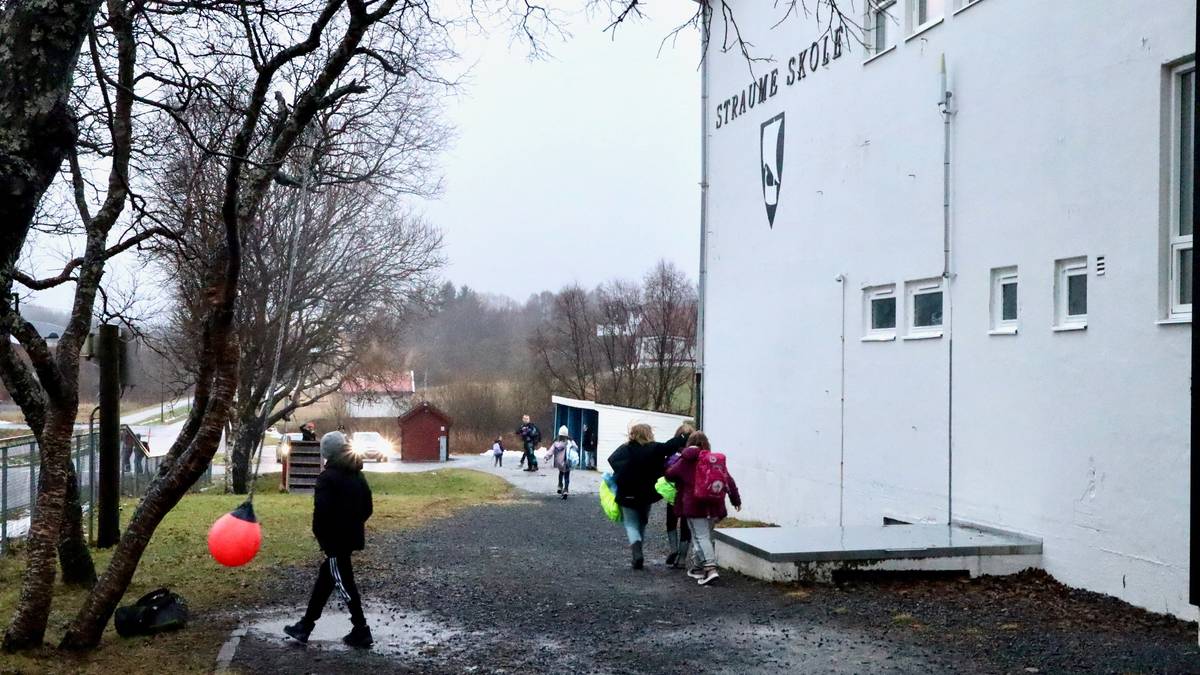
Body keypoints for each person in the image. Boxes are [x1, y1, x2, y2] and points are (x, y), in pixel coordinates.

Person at [285, 431, 374, 648]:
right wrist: (353, 525)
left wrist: (325, 540)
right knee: (324, 582)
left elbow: (321, 513)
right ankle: (305, 626)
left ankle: (361, 630)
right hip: (350, 538)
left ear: (327, 454)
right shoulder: (357, 474)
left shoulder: (327, 478)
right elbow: (368, 507)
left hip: (335, 543)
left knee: (345, 585)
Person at [665, 431, 741, 586]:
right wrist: (735, 500)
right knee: (705, 536)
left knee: (700, 537)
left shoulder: (686, 459)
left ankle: (710, 568)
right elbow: (729, 481)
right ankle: (698, 568)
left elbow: (670, 475)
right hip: (714, 505)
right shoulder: (713, 461)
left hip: (694, 505)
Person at [607, 423, 673, 569]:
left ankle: (637, 553)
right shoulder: (654, 450)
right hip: (646, 495)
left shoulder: (625, 449)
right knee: (642, 522)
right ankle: (639, 552)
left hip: (627, 493)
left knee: (631, 524)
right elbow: (664, 462)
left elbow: (612, 461)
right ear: (649, 433)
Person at [660, 422, 696, 568]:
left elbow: (666, 473)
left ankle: (673, 549)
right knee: (686, 526)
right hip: (690, 495)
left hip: (673, 494)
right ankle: (681, 558)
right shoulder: (695, 455)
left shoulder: (672, 455)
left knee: (671, 522)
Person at [543, 426, 578, 499]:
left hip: (559, 463)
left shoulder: (556, 442)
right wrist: (571, 441)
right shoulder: (569, 442)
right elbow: (576, 448)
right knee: (567, 476)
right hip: (567, 462)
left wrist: (546, 458)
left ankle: (559, 486)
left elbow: (551, 451)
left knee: (561, 474)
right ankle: (566, 490)